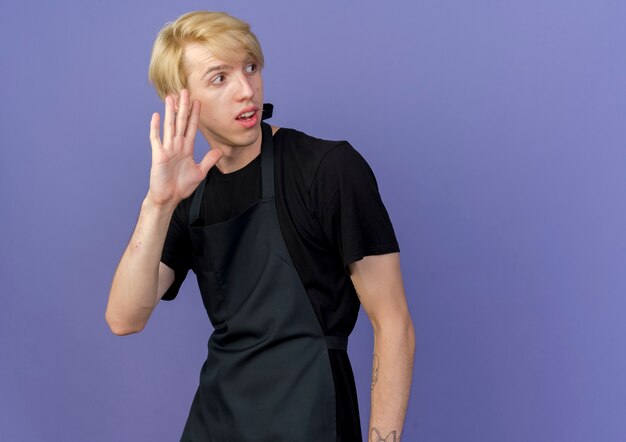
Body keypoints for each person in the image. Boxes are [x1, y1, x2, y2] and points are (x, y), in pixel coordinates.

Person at [106, 10, 414, 442]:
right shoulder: (187, 198)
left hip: (313, 420)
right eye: (219, 78)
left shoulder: (328, 169)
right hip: (217, 424)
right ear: (180, 99)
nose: (246, 90)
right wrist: (158, 204)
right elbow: (124, 317)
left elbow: (393, 321)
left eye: (250, 67)